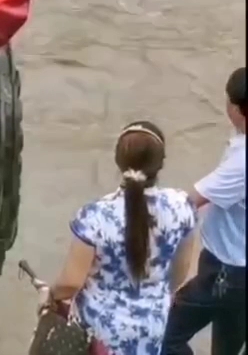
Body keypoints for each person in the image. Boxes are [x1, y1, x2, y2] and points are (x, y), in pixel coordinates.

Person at [45, 121, 197, 355]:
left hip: (100, 331)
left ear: (118, 162)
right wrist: (155, 296)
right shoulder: (182, 207)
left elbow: (71, 283)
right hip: (153, 322)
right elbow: (180, 272)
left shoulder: (96, 216)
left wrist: (50, 296)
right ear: (160, 163)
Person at [162, 66, 246, 355]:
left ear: (235, 109)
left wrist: (137, 207)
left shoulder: (242, 163)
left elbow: (190, 201)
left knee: (163, 333)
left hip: (225, 271)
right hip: (238, 273)